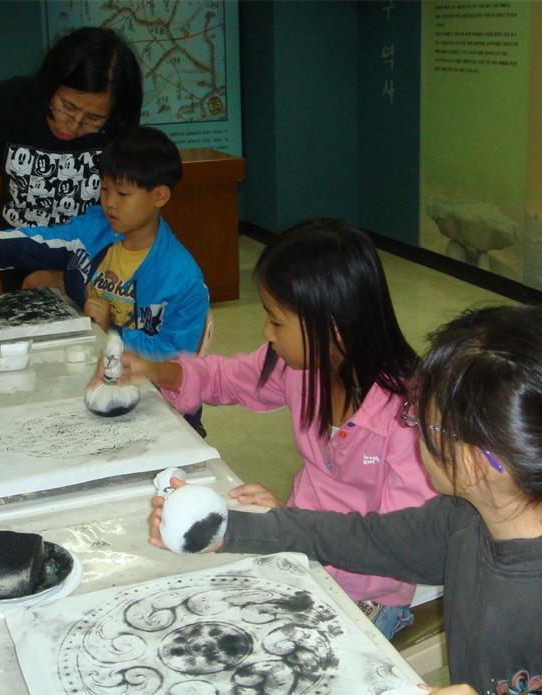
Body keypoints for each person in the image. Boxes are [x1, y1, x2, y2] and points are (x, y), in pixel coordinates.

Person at [150, 304, 542, 693]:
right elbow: (356, 536)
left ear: (477, 459)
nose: (412, 427)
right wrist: (227, 528)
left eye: (422, 420)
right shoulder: (466, 520)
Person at [118, 219, 437, 639]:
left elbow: (397, 544)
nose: (267, 334)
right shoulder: (301, 367)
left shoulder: (407, 416)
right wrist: (155, 370)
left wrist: (286, 524)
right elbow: (227, 378)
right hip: (299, 553)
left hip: (365, 592)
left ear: (333, 327)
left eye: (276, 321)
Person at [0, 125, 208, 359]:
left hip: (153, 396)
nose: (109, 203)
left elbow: (178, 357)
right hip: (92, 365)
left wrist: (113, 329)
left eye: (123, 194)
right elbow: (43, 242)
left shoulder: (181, 277)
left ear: (160, 196)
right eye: (104, 189)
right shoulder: (95, 229)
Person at [0, 26, 143, 293]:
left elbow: (133, 216)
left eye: (93, 119)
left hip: (96, 268)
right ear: (51, 82)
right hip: (20, 265)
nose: (73, 126)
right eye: (68, 107)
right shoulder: (7, 105)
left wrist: (72, 277)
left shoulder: (119, 126)